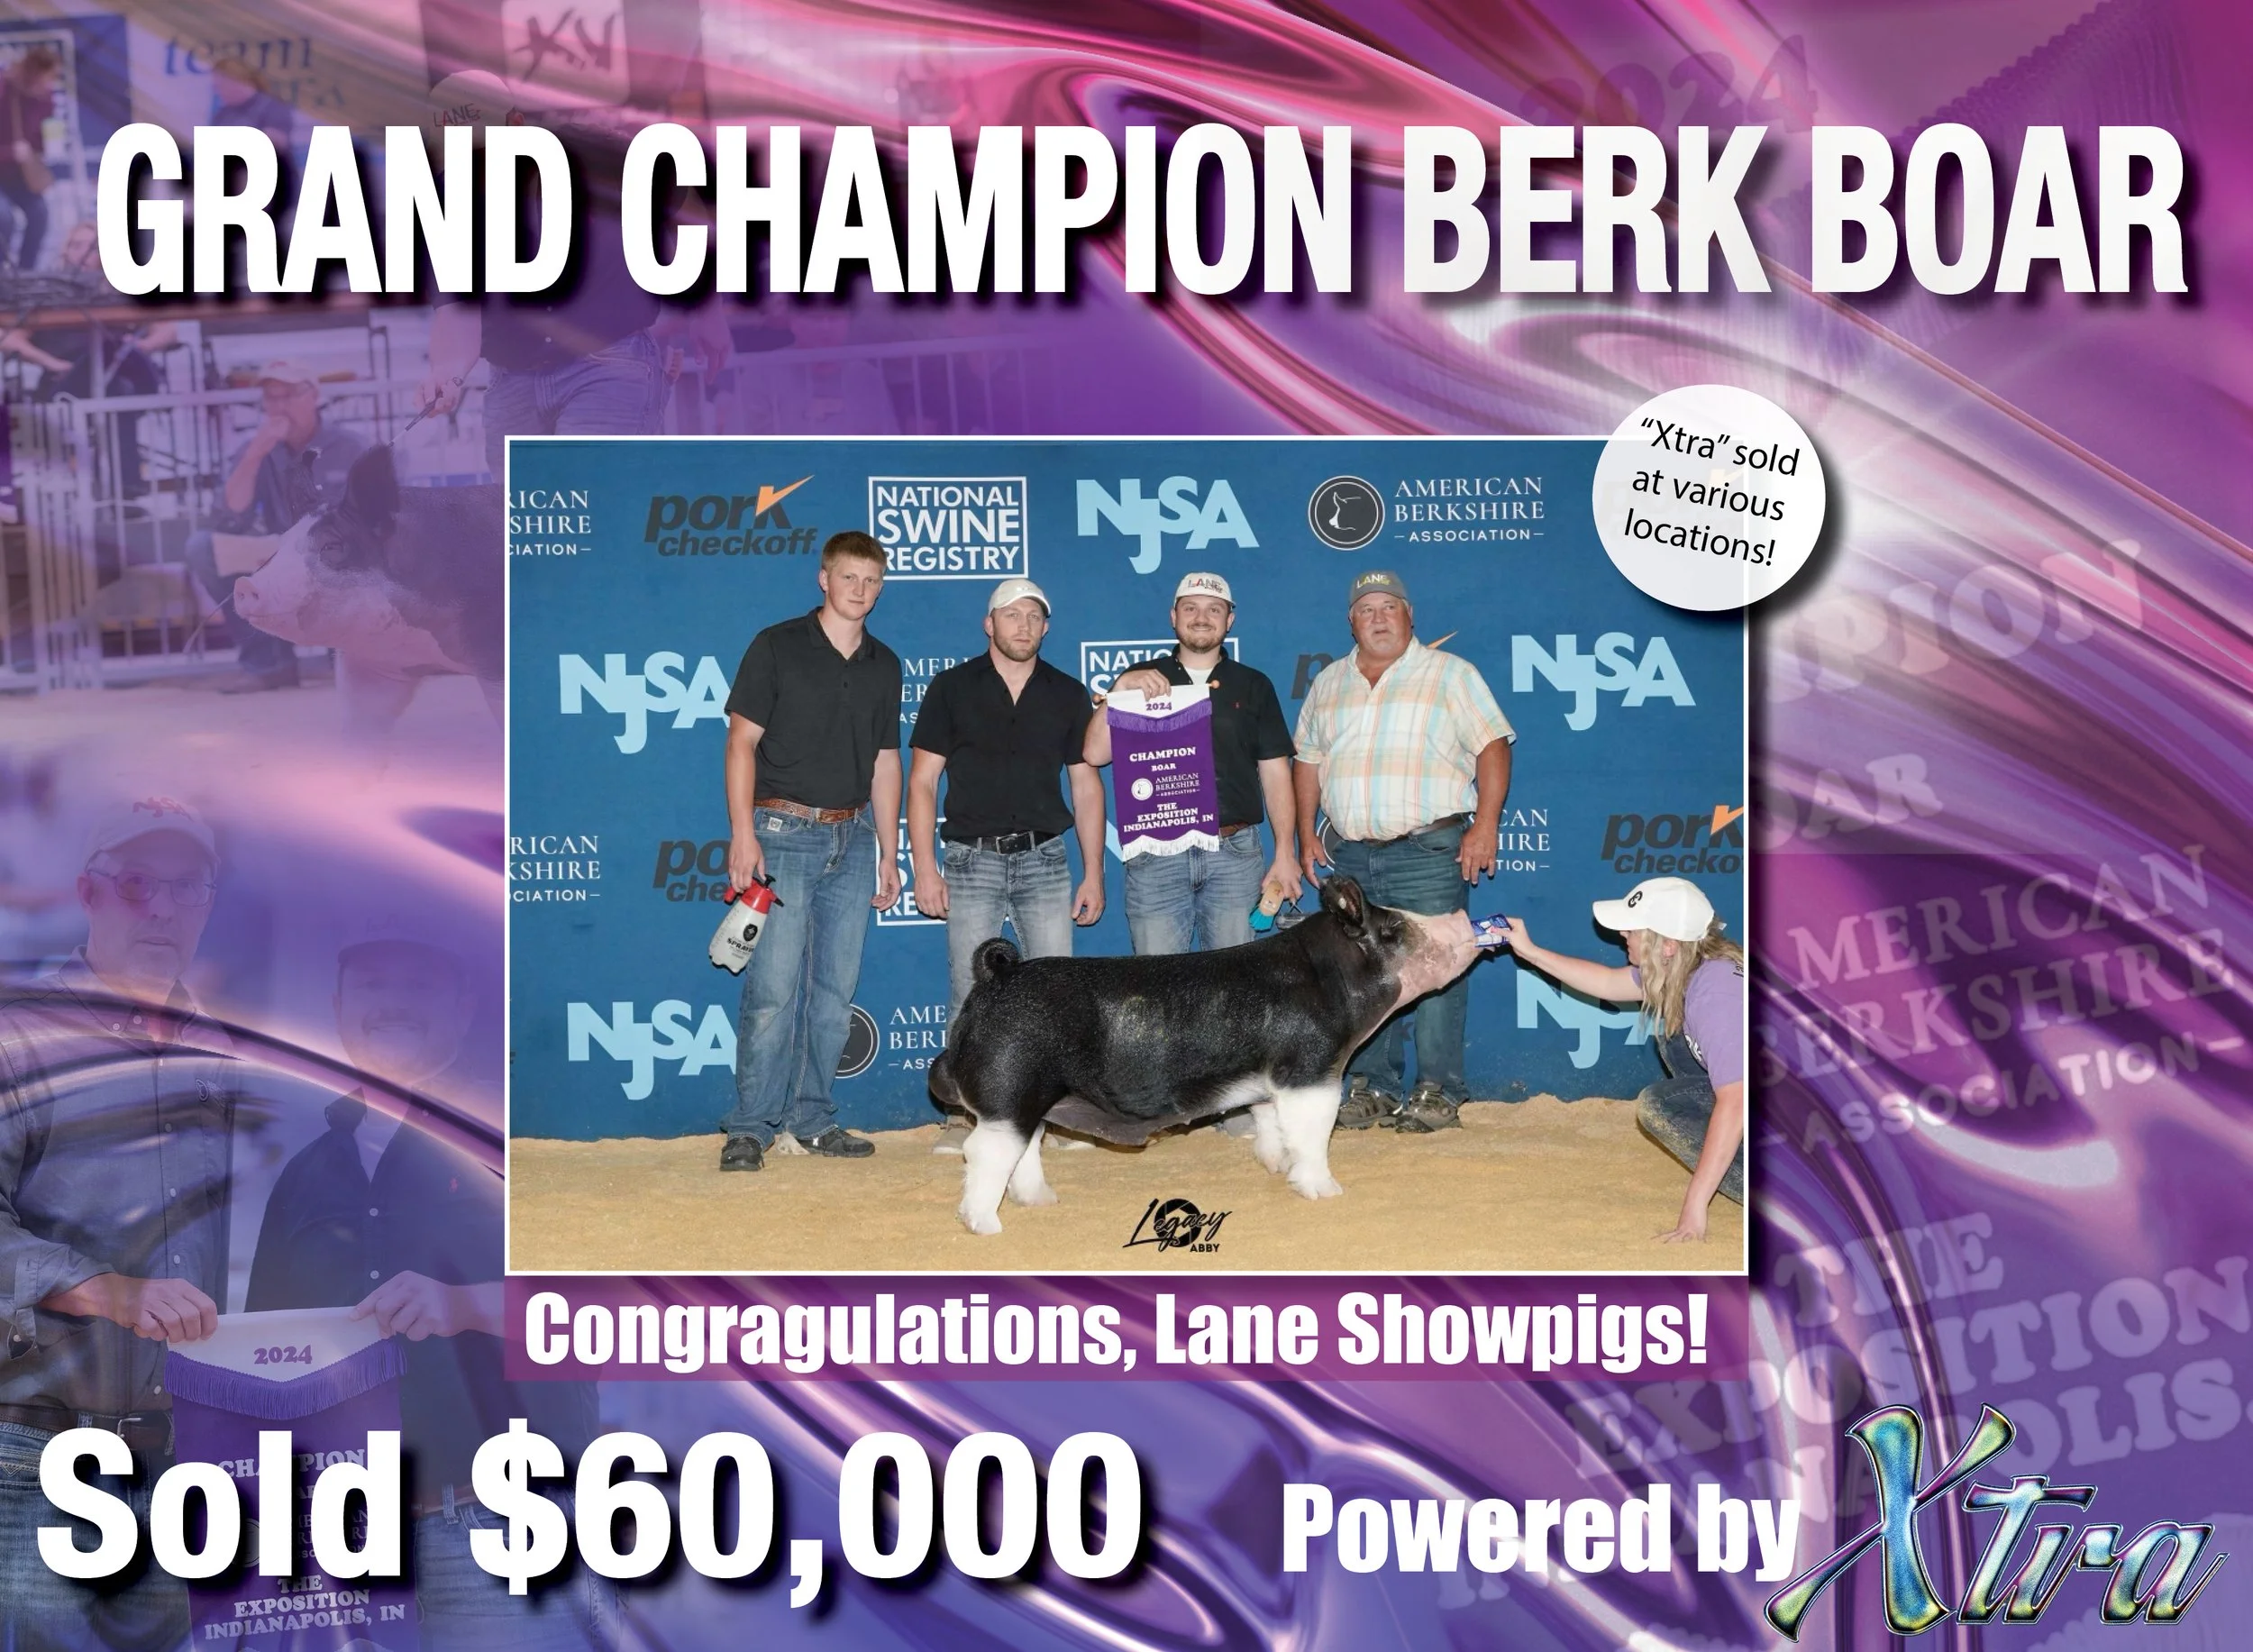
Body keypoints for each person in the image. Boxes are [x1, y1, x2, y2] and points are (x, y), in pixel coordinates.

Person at [249, 934, 611, 1650]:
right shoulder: (305, 1173)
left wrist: (463, 1304)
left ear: (464, 1004)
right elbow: (269, 1360)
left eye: (418, 984)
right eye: (373, 986)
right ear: (338, 1009)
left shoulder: (532, 1142)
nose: (393, 1004)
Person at [0, 798, 233, 1652]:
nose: (163, 908)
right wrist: (107, 1291)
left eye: (187, 886)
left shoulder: (232, 1054)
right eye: (138, 884)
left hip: (187, 1453)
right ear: (87, 892)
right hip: (40, 1452)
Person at [413, 73, 725, 474]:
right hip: (514, 378)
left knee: (592, 502)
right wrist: (447, 373)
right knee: (526, 523)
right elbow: (457, 311)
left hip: (608, 362)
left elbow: (688, 206)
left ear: (517, 125)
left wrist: (707, 310)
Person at [1293, 569, 1514, 1133]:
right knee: (1362, 973)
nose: (1379, 617)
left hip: (1428, 848)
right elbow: (1308, 760)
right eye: (1366, 609)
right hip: (1351, 854)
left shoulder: (1450, 675)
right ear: (1351, 621)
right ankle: (1372, 1085)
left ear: (1410, 614)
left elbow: (1492, 744)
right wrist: (1304, 831)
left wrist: (1485, 822)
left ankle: (1438, 1089)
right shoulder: (1329, 683)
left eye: (1389, 606)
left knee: (1438, 963)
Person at [719, 531, 903, 1172]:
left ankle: (813, 1116)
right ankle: (749, 1126)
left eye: (871, 580)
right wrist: (743, 833)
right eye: (848, 577)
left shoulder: (885, 662)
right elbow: (741, 742)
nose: (860, 590)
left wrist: (888, 846)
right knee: (771, 989)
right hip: (780, 833)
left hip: (853, 840)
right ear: (823, 578)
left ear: (881, 587)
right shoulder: (776, 645)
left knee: (834, 991)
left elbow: (886, 761)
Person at [1498, 878, 1747, 1242]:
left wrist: (1695, 1207)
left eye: (1634, 929)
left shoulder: (1716, 991)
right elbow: (1608, 983)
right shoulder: (1689, 966)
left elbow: (1737, 1100)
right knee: (1672, 1036)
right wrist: (1530, 951)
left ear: (1668, 945)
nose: (1623, 934)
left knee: (1660, 1106)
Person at [910, 577, 1106, 1022]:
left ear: (1045, 629)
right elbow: (923, 782)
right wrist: (924, 869)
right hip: (971, 863)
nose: (1024, 625)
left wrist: (1094, 873)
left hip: (1046, 862)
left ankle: (1052, 1096)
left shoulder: (1068, 693)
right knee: (970, 1002)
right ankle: (965, 1096)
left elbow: (1086, 786)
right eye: (1012, 615)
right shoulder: (950, 688)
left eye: (1034, 617)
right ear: (989, 623)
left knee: (1057, 1003)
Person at [1086, 570, 1300, 954]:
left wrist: (1285, 851)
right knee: (1158, 991)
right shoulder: (1139, 679)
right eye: (1191, 608)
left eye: (1214, 609)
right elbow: (1095, 754)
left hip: (1233, 854)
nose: (1202, 617)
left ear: (1229, 620)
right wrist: (1119, 691)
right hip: (1157, 855)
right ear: (1174, 616)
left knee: (1234, 993)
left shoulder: (1254, 685)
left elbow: (1275, 771)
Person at [183, 360, 372, 691]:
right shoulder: (255, 447)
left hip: (338, 554)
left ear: (313, 396)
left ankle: (353, 659)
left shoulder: (353, 446)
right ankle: (269, 664)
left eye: (289, 394)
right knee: (203, 548)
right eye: (271, 397)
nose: (279, 405)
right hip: (280, 550)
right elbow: (229, 514)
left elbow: (385, 514)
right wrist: (256, 453)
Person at [0, 47, 59, 271]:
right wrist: (9, 152)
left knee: (40, 215)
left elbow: (40, 141)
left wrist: (44, 146)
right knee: (4, 218)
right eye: (49, 77)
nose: (51, 84)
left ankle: (26, 277)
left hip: (20, 177)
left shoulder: (46, 99)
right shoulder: (4, 91)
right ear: (33, 73)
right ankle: (2, 279)